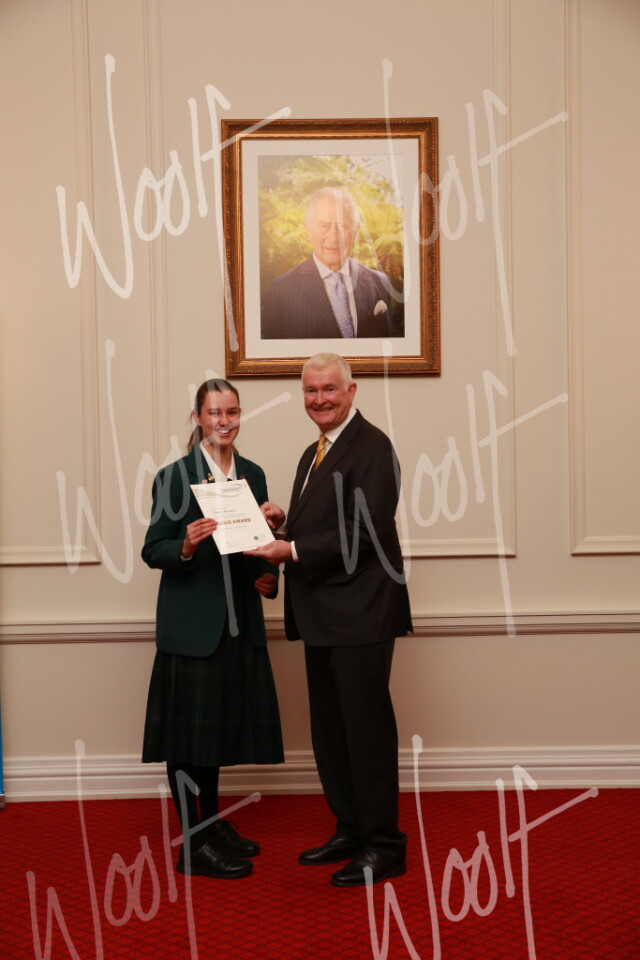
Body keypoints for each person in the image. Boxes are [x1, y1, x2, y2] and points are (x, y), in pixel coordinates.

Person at [248, 353, 412, 887]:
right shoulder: (313, 451)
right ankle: (351, 829)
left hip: (360, 616)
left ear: (351, 391)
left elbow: (363, 534)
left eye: (329, 389)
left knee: (365, 734)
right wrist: (283, 524)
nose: (319, 399)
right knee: (332, 735)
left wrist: (290, 548)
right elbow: (324, 524)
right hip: (323, 616)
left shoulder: (374, 448)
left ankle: (384, 846)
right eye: (310, 390)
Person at [141, 378, 283, 880]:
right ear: (198, 417)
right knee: (186, 742)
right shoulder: (174, 478)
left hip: (238, 624)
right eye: (214, 413)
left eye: (232, 412)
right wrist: (183, 545)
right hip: (192, 628)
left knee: (214, 736)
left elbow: (259, 545)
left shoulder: (253, 474)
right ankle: (192, 844)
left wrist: (270, 575)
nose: (224, 421)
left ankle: (211, 826)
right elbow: (153, 548)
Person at [261, 187, 403, 339]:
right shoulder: (281, 290)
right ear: (308, 230)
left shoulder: (379, 283)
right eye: (324, 226)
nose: (334, 237)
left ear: (355, 231)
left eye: (343, 226)